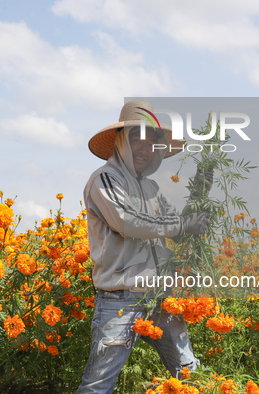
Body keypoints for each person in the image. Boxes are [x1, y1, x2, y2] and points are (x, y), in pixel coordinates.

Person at [78, 100, 210, 393]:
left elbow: (175, 227)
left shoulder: (151, 188)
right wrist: (182, 225)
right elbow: (127, 222)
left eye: (151, 142)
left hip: (160, 297)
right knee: (98, 385)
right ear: (120, 140)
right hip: (120, 300)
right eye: (136, 138)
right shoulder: (104, 179)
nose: (144, 148)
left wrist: (202, 191)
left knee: (190, 374)